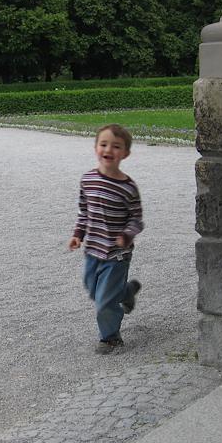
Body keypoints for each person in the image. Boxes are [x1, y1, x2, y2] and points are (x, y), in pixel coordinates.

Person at [68, 124, 144, 355]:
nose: (108, 149)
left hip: (117, 255)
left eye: (116, 146)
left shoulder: (128, 188)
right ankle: (126, 292)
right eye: (103, 144)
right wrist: (78, 234)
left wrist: (126, 235)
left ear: (125, 153)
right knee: (93, 290)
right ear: (96, 148)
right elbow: (84, 212)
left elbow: (137, 220)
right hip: (93, 250)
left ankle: (110, 338)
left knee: (103, 301)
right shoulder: (88, 180)